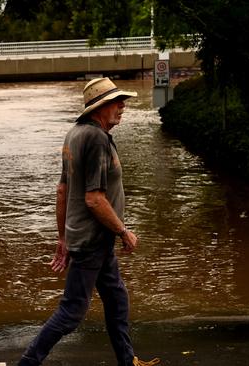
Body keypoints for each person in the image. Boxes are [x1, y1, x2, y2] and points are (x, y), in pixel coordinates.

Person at [18, 78, 160, 366]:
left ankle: (127, 360)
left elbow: (62, 190)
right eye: (117, 101)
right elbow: (93, 199)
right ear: (101, 107)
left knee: (117, 299)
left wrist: (62, 238)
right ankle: (28, 362)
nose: (123, 106)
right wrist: (124, 231)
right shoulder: (95, 139)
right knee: (71, 312)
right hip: (93, 240)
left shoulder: (75, 133)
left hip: (92, 238)